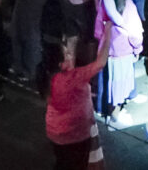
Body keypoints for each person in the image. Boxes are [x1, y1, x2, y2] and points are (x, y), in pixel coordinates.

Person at [44, 35, 110, 169]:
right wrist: (108, 31)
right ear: (60, 63)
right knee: (78, 164)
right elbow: (101, 62)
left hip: (54, 131)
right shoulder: (73, 78)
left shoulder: (48, 77)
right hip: (74, 134)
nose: (70, 55)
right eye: (66, 54)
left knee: (62, 161)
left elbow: (67, 96)